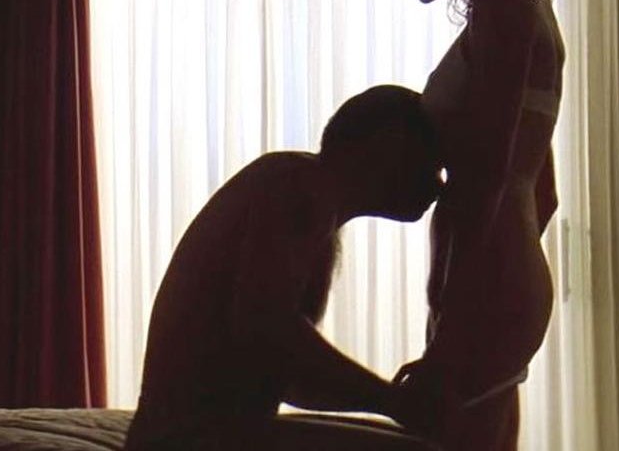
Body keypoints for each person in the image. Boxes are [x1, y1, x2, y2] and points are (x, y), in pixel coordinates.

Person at [123, 85, 444, 451]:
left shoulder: (305, 196)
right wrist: (390, 400)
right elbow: (264, 327)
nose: (438, 186)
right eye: (432, 165)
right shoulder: (298, 185)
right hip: (190, 439)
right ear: (388, 145)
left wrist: (388, 400)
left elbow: (282, 371)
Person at [369, 0, 565, 449]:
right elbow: (543, 189)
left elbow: (486, 180)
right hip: (498, 273)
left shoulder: (505, 9)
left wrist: (459, 317)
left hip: (488, 282)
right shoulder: (514, 5)